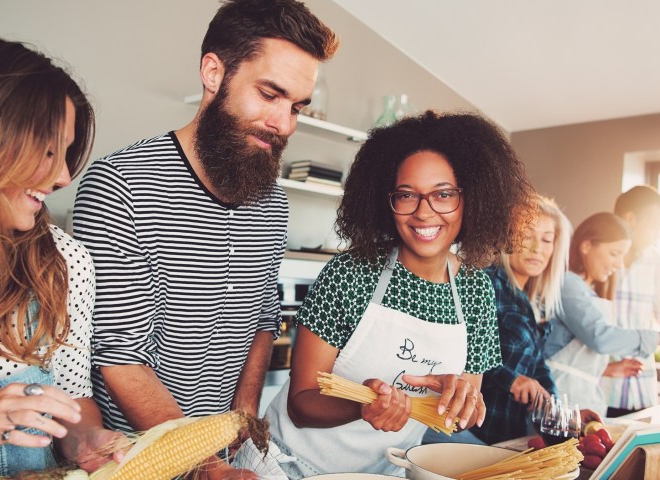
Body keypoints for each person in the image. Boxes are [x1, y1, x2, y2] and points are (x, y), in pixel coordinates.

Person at [72, 0, 338, 478]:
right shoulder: (120, 185)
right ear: (213, 72)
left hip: (224, 457)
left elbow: (262, 319)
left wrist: (245, 421)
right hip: (140, 459)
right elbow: (120, 358)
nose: (284, 123)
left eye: (296, 107)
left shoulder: (272, 202)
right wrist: (204, 466)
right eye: (269, 94)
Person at [263, 111, 537, 477]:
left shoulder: (475, 290)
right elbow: (301, 403)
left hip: (380, 473)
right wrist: (363, 405)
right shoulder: (349, 274)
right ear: (386, 201)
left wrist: (461, 403)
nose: (424, 213)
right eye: (407, 195)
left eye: (443, 194)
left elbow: (461, 419)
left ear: (471, 199)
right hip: (287, 465)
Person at [0, 36, 122, 478]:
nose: (63, 175)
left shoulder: (66, 263)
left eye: (66, 152)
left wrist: (85, 442)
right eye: (47, 150)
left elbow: (75, 400)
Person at [463, 196, 571, 445]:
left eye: (546, 239)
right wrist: (511, 379)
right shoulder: (485, 284)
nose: (537, 249)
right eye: (526, 235)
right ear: (504, 238)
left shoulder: (536, 302)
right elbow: (461, 355)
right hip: (471, 433)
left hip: (506, 438)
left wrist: (556, 411)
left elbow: (538, 367)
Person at [545, 212, 660, 415]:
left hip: (584, 399)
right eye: (614, 254)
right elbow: (600, 336)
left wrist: (606, 369)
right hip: (561, 398)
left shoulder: (588, 290)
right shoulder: (567, 284)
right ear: (586, 246)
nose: (619, 265)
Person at [600, 185, 660, 417]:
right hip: (601, 392)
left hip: (642, 392)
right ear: (630, 219)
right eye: (654, 223)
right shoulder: (597, 258)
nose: (657, 232)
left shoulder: (656, 261)